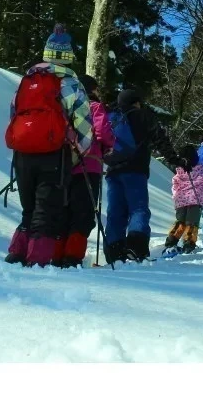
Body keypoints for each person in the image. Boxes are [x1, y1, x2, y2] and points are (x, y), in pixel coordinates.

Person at [4, 24, 93, 268]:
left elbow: (14, 114)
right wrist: (74, 157)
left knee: (29, 208)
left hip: (23, 153)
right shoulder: (71, 84)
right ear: (68, 55)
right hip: (55, 155)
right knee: (47, 208)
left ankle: (16, 253)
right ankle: (37, 260)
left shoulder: (27, 80)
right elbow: (85, 128)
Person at [103, 88, 181, 264]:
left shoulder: (110, 117)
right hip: (135, 170)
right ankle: (135, 249)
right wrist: (174, 159)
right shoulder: (142, 116)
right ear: (135, 102)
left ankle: (114, 252)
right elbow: (160, 139)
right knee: (138, 209)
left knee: (115, 212)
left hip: (113, 171)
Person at [56, 74, 115, 268]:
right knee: (84, 213)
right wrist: (108, 146)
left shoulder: (66, 105)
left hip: (65, 164)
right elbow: (102, 132)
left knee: (65, 210)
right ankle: (72, 256)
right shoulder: (94, 107)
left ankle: (57, 253)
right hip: (89, 164)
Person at [162, 145, 203, 256]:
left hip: (181, 201)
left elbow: (174, 186)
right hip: (195, 201)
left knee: (180, 222)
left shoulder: (179, 171)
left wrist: (176, 196)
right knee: (192, 223)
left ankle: (171, 242)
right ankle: (189, 243)